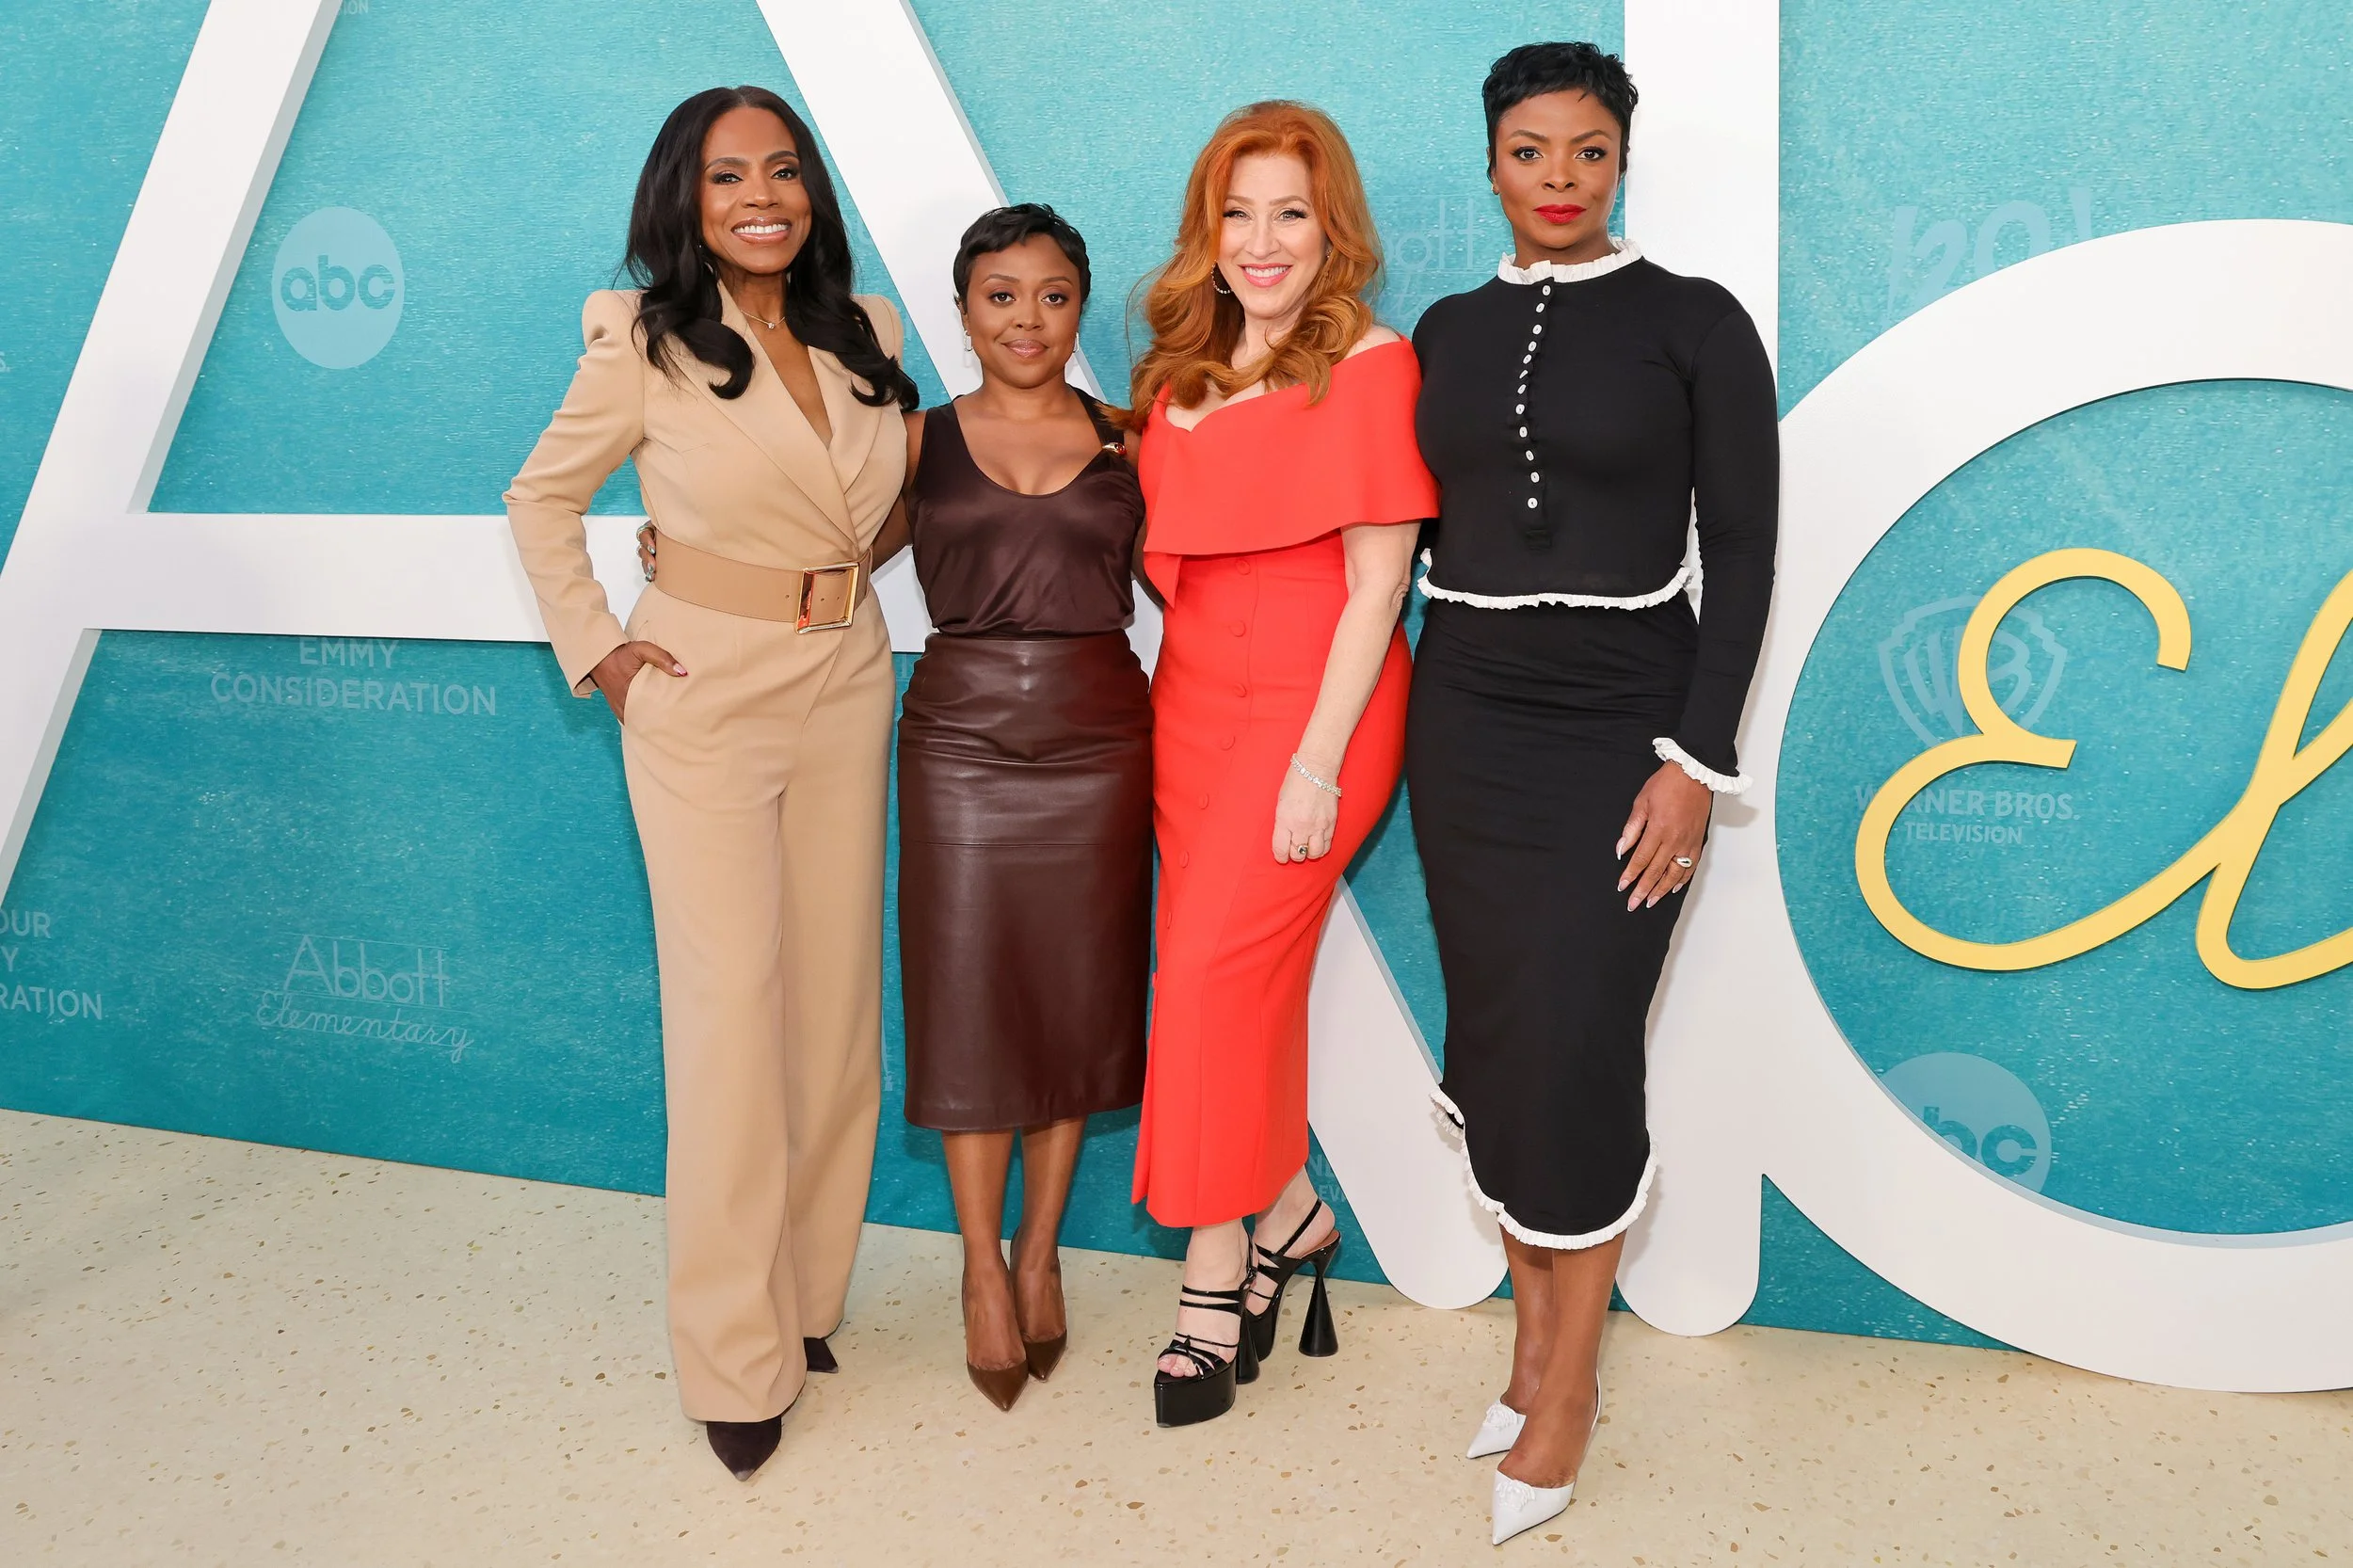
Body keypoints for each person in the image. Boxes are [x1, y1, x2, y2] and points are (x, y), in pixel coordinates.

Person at [504, 85, 917, 1482]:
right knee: (733, 1017)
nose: (762, 194)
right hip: (703, 694)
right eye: (730, 173)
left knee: (836, 1012)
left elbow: (889, 506)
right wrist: (606, 656)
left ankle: (803, 1304)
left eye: (785, 170)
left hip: (849, 676)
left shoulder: (872, 337)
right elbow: (540, 501)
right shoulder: (636, 338)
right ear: (684, 195)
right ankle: (733, 1358)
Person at [1404, 42, 1778, 1544]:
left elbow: (1743, 553)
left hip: (1628, 722)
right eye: (1528, 152)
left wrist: (1692, 762)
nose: (1558, 180)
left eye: (1588, 153)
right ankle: (1525, 1342)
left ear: (1623, 161)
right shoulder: (1434, 329)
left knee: (1577, 1029)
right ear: (1489, 161)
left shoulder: (1695, 324)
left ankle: (1571, 1386)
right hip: (1469, 719)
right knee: (1504, 1033)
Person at [1127, 101, 1437, 1428]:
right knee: (1230, 985)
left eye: (1290, 214)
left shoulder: (1370, 364)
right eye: (1238, 213)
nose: (1263, 242)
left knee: (1202, 980)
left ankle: (1214, 1274)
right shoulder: (1177, 381)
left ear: (1333, 230)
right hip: (1190, 702)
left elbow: (1381, 586)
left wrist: (1314, 762)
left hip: (1320, 705)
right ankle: (1293, 1207)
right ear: (1209, 230)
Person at [884, 205, 1151, 1412]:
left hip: (1104, 739)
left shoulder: (1129, 440)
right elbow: (829, 556)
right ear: (963, 309)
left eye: (1050, 295)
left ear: (1079, 307)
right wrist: (691, 554)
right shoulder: (915, 441)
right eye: (1001, 295)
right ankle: (977, 1266)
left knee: (1074, 1002)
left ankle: (1041, 1255)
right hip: (961, 743)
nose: (1026, 319)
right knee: (974, 1000)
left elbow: (1212, 564)